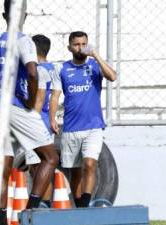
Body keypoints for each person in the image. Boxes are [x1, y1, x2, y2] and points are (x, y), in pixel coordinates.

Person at [0, 1, 59, 224]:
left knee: (4, 165)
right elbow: (32, 72)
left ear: (3, 15)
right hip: (15, 106)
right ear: (25, 15)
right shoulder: (23, 40)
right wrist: (29, 100)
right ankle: (30, 213)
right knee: (50, 157)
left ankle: (0, 220)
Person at [49, 31, 117, 207]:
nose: (81, 48)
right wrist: (52, 118)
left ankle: (85, 205)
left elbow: (112, 76)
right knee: (76, 171)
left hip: (93, 126)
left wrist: (95, 54)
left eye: (84, 44)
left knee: (89, 164)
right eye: (77, 44)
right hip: (71, 128)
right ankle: (80, 207)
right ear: (69, 47)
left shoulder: (95, 65)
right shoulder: (62, 69)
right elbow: (55, 96)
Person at [29, 34, 57, 208]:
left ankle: (41, 205)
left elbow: (38, 98)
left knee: (37, 168)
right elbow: (55, 96)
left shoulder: (37, 70)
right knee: (43, 166)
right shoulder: (55, 68)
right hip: (46, 121)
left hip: (35, 120)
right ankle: (44, 205)